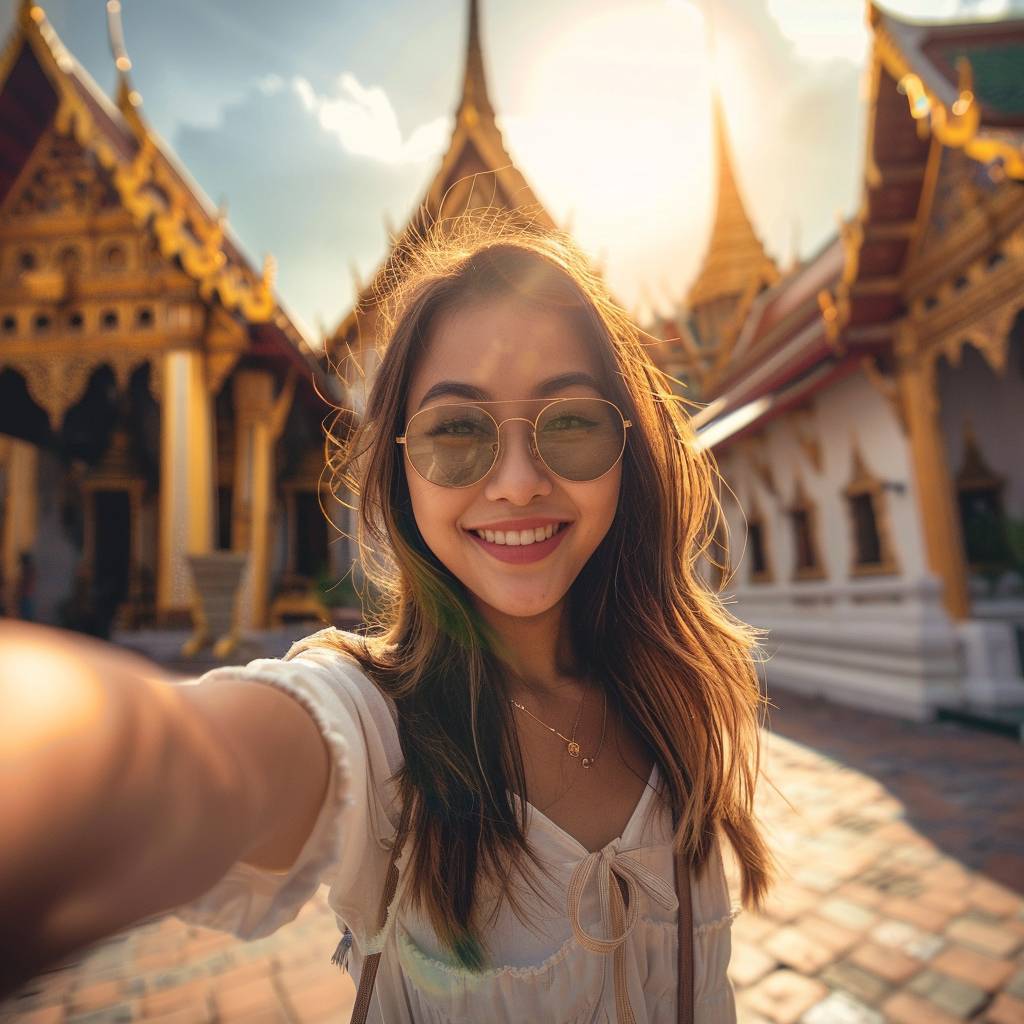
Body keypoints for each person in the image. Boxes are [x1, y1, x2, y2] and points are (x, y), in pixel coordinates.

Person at [0, 215, 775, 1022]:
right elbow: (192, 760)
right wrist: (72, 768)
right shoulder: (377, 723)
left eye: (570, 421)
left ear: (628, 447)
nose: (516, 482)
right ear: (401, 471)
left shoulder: (674, 691)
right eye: (455, 431)